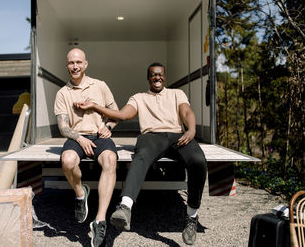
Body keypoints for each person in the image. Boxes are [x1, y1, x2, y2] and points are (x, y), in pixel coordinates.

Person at [74, 62, 207, 245]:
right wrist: (95, 106)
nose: (157, 77)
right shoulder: (138, 97)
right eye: (153, 75)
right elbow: (123, 115)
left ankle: (191, 216)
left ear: (164, 76)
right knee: (141, 156)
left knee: (198, 161)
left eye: (160, 74)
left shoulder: (177, 93)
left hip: (178, 136)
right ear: (148, 78)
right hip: (151, 136)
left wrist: (191, 129)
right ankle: (125, 207)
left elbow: (187, 111)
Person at [54, 48, 119, 247]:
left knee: (110, 160)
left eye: (79, 62)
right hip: (76, 136)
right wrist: (80, 139)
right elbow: (63, 127)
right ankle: (81, 194)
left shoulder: (100, 85)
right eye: (71, 63)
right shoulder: (62, 93)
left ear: (86, 64)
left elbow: (115, 111)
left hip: (99, 135)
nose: (75, 66)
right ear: (67, 66)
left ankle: (99, 221)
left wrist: (108, 127)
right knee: (67, 161)